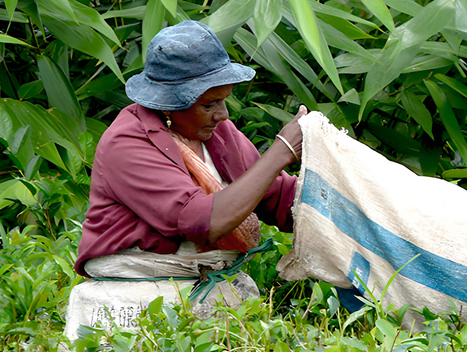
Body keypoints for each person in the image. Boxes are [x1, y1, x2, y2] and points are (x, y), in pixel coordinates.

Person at [74, 20, 306, 277]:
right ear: (168, 104)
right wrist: (281, 151)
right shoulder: (127, 143)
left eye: (224, 101)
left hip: (204, 273)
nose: (223, 115)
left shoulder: (217, 133)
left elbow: (276, 197)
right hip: (140, 283)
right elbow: (201, 223)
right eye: (210, 105)